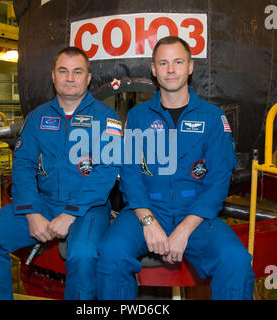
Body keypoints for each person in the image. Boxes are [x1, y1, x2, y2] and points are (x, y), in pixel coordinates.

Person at [96, 36, 254, 300]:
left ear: (190, 67)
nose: (171, 69)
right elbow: (131, 175)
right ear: (154, 70)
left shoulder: (213, 118)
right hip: (145, 211)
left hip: (196, 215)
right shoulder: (138, 117)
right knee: (111, 254)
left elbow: (218, 181)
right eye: (164, 63)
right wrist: (148, 221)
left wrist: (184, 230)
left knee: (236, 262)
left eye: (178, 62)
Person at [0, 47, 122, 300]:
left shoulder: (106, 118)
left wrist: (70, 213)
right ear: (53, 76)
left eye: (77, 72)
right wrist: (31, 213)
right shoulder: (38, 117)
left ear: (88, 78)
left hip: (89, 208)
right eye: (63, 71)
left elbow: (106, 172)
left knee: (82, 254)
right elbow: (23, 165)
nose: (70, 78)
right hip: (44, 202)